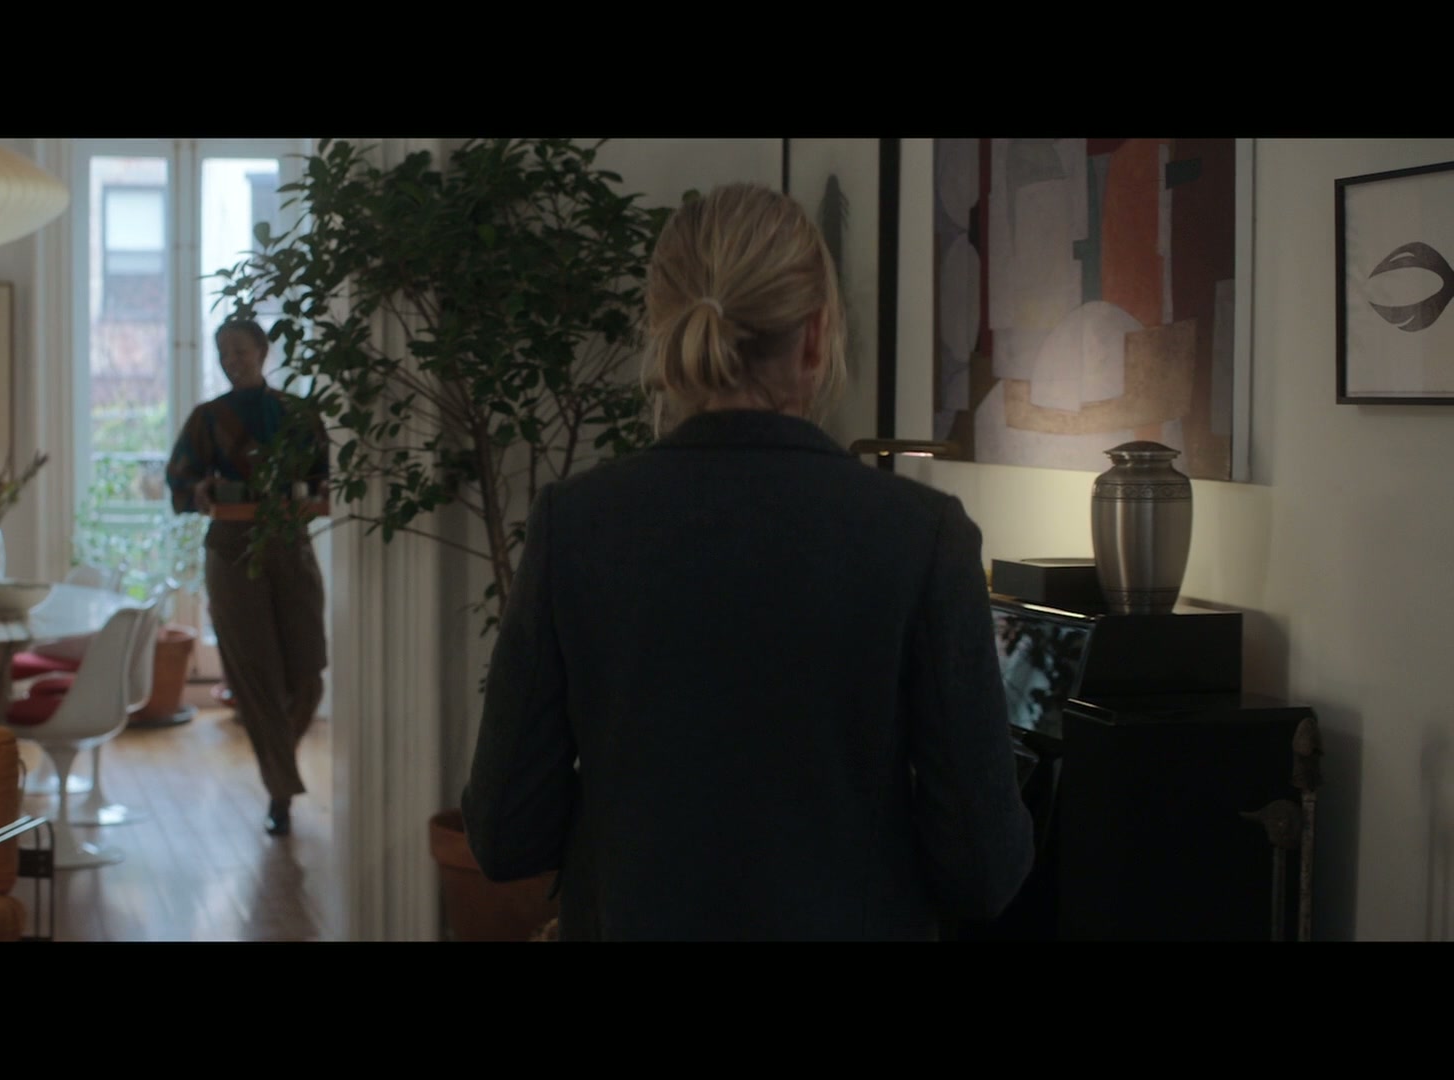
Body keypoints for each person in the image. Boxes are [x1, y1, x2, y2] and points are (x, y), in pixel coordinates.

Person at [460, 183, 1034, 940]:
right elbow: (984, 871)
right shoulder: (920, 536)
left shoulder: (577, 525)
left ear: (664, 331)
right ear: (816, 336)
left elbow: (505, 834)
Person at [166, 319, 329, 836]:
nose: (231, 360)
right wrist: (202, 491)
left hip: (292, 543)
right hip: (231, 549)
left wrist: (310, 494)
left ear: (262, 350)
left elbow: (323, 477)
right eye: (223, 353)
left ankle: (279, 767)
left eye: (239, 350)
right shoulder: (207, 418)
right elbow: (179, 480)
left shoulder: (298, 414)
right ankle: (281, 792)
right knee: (255, 676)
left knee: (308, 673)